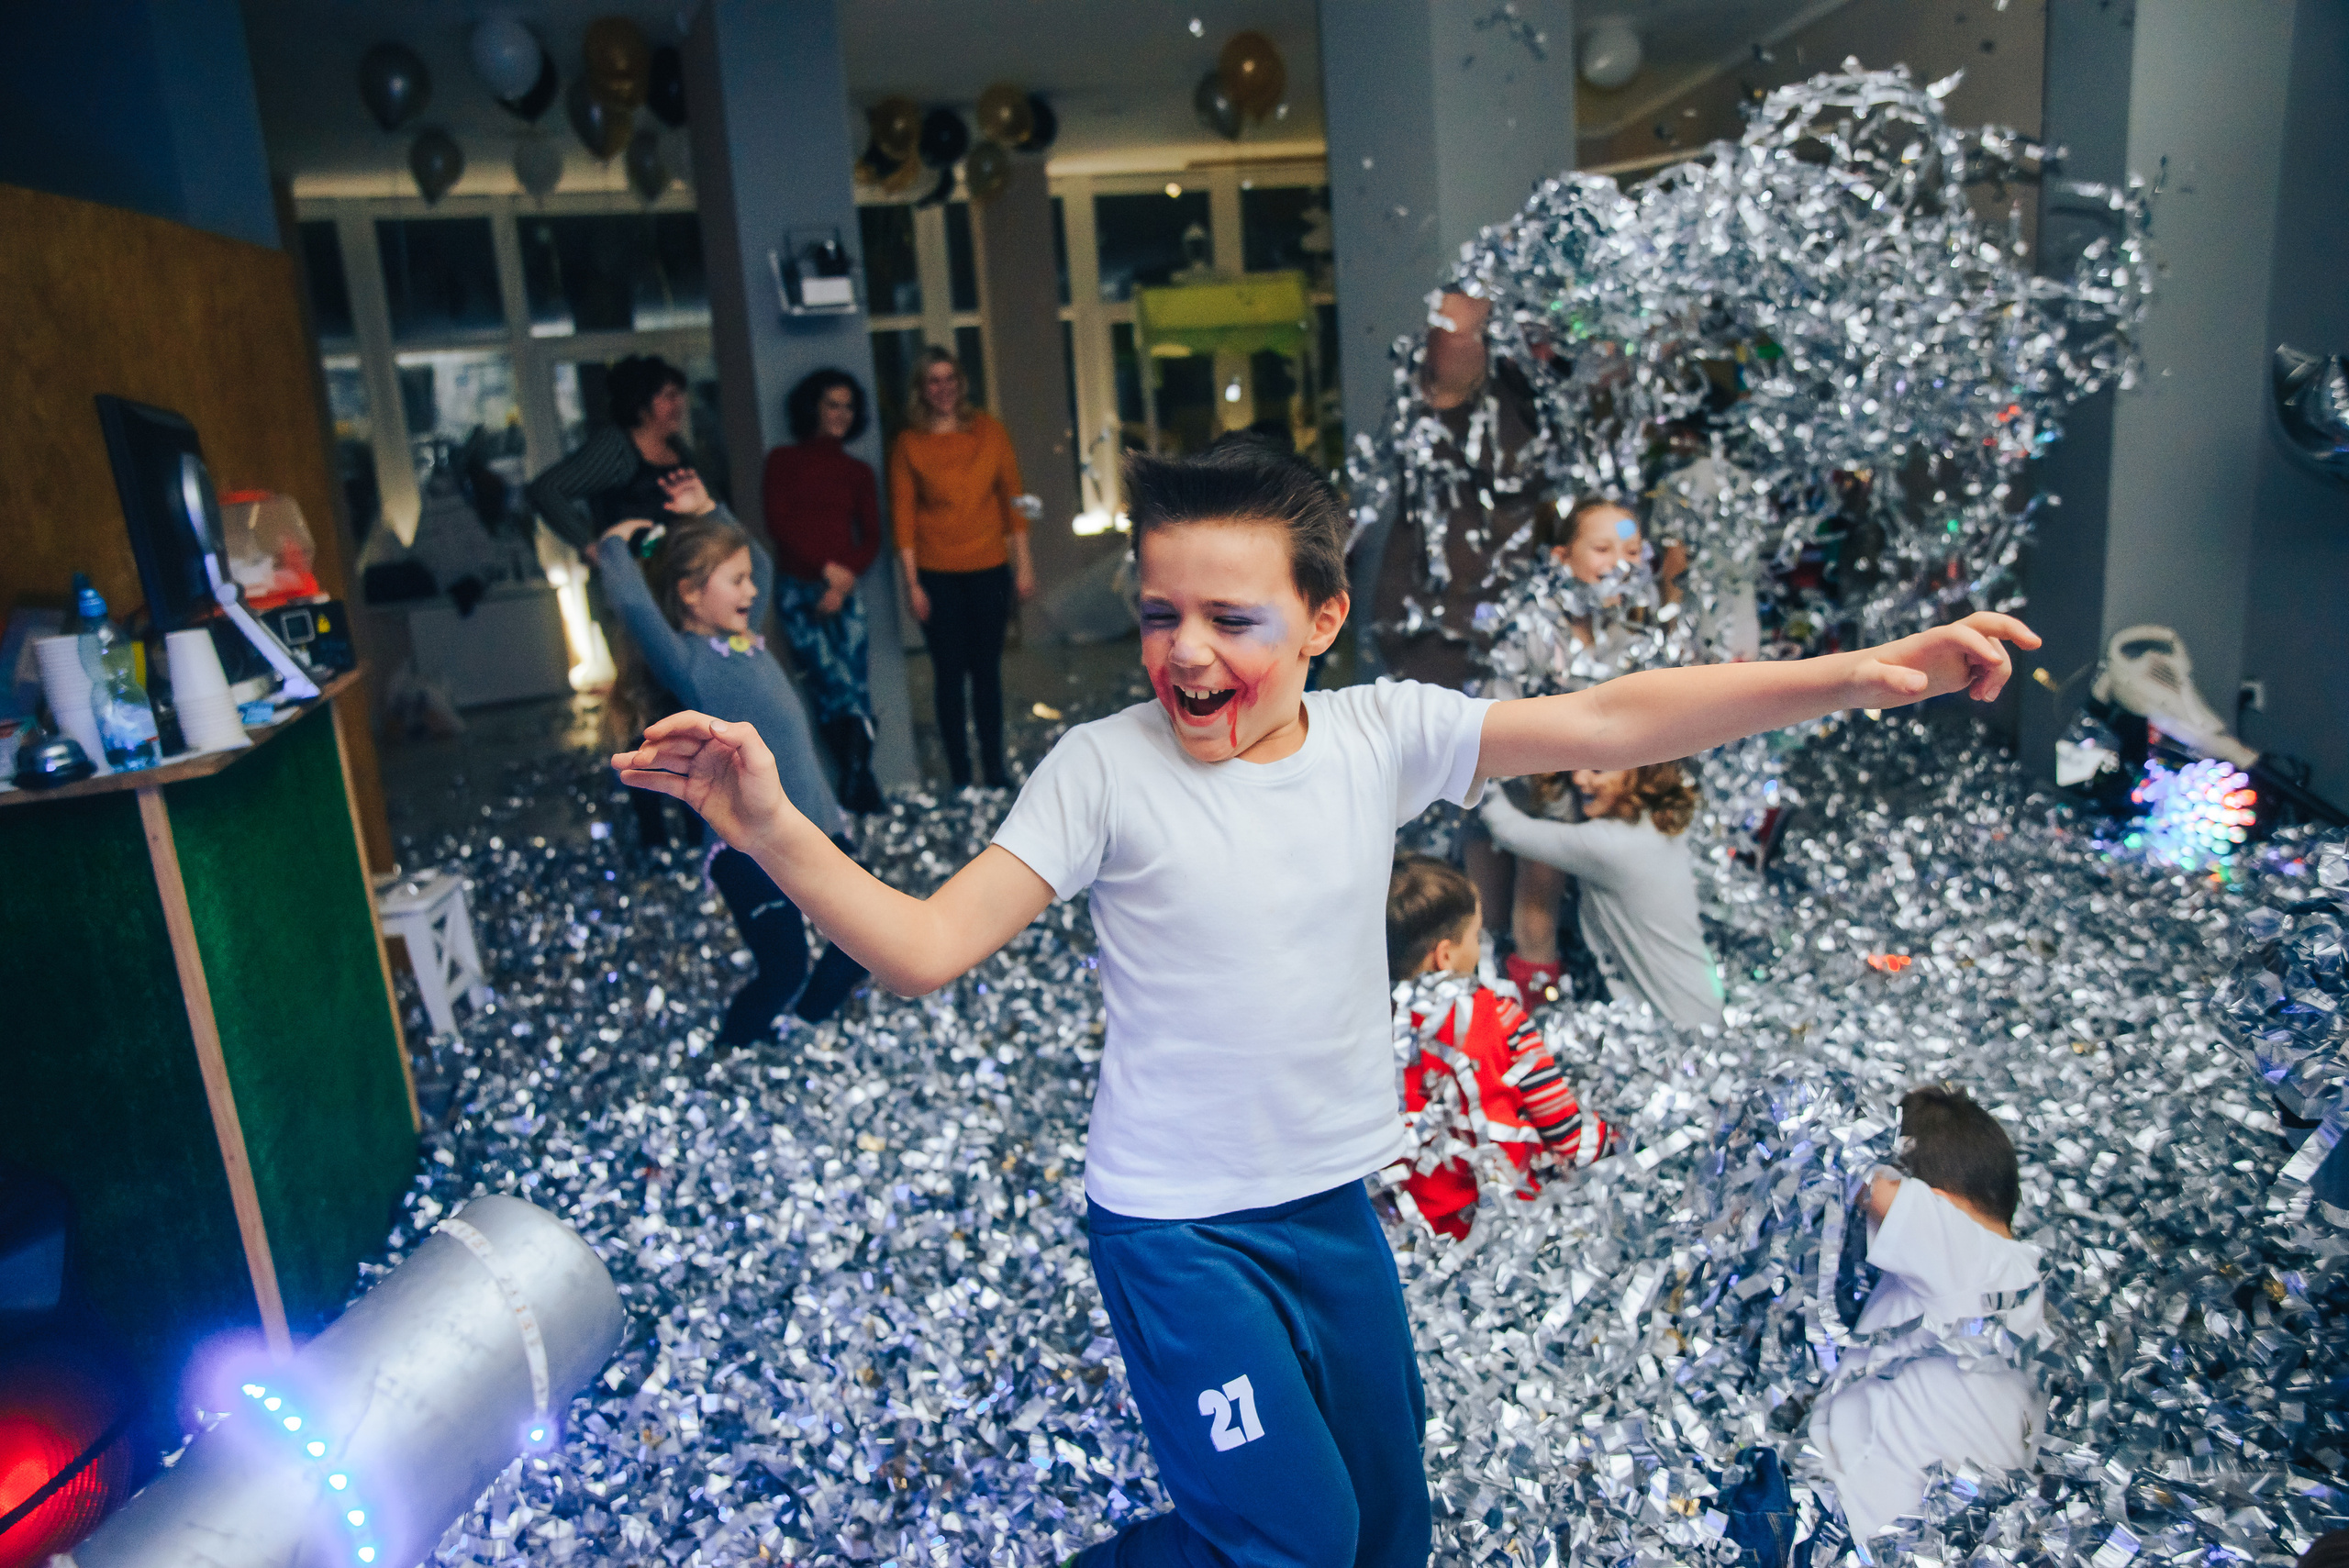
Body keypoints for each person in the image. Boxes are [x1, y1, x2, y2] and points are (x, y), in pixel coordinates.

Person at [611, 436, 2037, 1568]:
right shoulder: (1101, 770)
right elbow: (924, 948)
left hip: (1330, 1207)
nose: (1185, 653)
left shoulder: (1381, 733)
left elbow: (1615, 714)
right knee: (1292, 1543)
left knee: (1387, 1538)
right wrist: (770, 826)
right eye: (1160, 614)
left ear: (1323, 618)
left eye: (1233, 618)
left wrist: (1863, 673)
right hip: (1176, 1231)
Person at [595, 511, 867, 1041]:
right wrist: (613, 543)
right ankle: (735, 1044)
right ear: (691, 595)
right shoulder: (690, 662)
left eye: (747, 580)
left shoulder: (749, 641)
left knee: (864, 942)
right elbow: (631, 604)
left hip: (818, 826)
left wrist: (706, 509)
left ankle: (801, 1028)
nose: (752, 589)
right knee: (784, 968)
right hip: (749, 847)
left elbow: (760, 563)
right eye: (735, 581)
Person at [1807, 1084, 2047, 1548]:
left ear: (1936, 1196)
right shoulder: (2012, 1277)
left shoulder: (1977, 1260)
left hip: (1866, 1541)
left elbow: (1856, 1170)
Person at [529, 353, 728, 850]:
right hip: (632, 600)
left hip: (676, 596)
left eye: (678, 394)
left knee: (683, 703)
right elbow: (547, 489)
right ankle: (654, 830)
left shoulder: (677, 447)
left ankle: (694, 823)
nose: (677, 404)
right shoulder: (616, 449)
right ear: (642, 404)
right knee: (644, 709)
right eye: (667, 395)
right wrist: (590, 544)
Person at [1386, 855, 1609, 1239]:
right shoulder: (1501, 1017)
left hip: (1408, 1221)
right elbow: (1568, 1134)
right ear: (1445, 956)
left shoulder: (1372, 1026)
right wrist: (1612, 1140)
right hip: (1502, 1221)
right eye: (1475, 936)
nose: (1480, 946)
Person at [1480, 761, 1725, 1029]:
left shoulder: (1612, 846)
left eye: (1597, 771)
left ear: (1637, 776)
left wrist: (1483, 777)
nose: (1578, 778)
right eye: (1577, 765)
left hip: (1678, 1019)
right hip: (1700, 1001)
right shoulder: (1653, 823)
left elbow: (1509, 831)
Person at [889, 347, 1035, 789]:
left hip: (989, 569)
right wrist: (912, 583)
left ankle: (993, 767)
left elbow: (1016, 501)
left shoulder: (989, 431)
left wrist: (1024, 565)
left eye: (950, 378)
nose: (943, 388)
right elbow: (904, 519)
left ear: (961, 383)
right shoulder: (908, 444)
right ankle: (960, 774)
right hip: (937, 575)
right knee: (949, 675)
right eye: (933, 380)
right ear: (920, 389)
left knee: (987, 671)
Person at [764, 369, 885, 814]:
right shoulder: (782, 460)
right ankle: (860, 786)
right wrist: (825, 571)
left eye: (848, 406)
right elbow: (779, 524)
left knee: (856, 687)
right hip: (801, 593)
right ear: (813, 406)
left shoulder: (857, 471)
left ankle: (855, 784)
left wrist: (845, 576)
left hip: (847, 592)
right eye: (832, 404)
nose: (840, 414)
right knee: (829, 686)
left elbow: (871, 536)